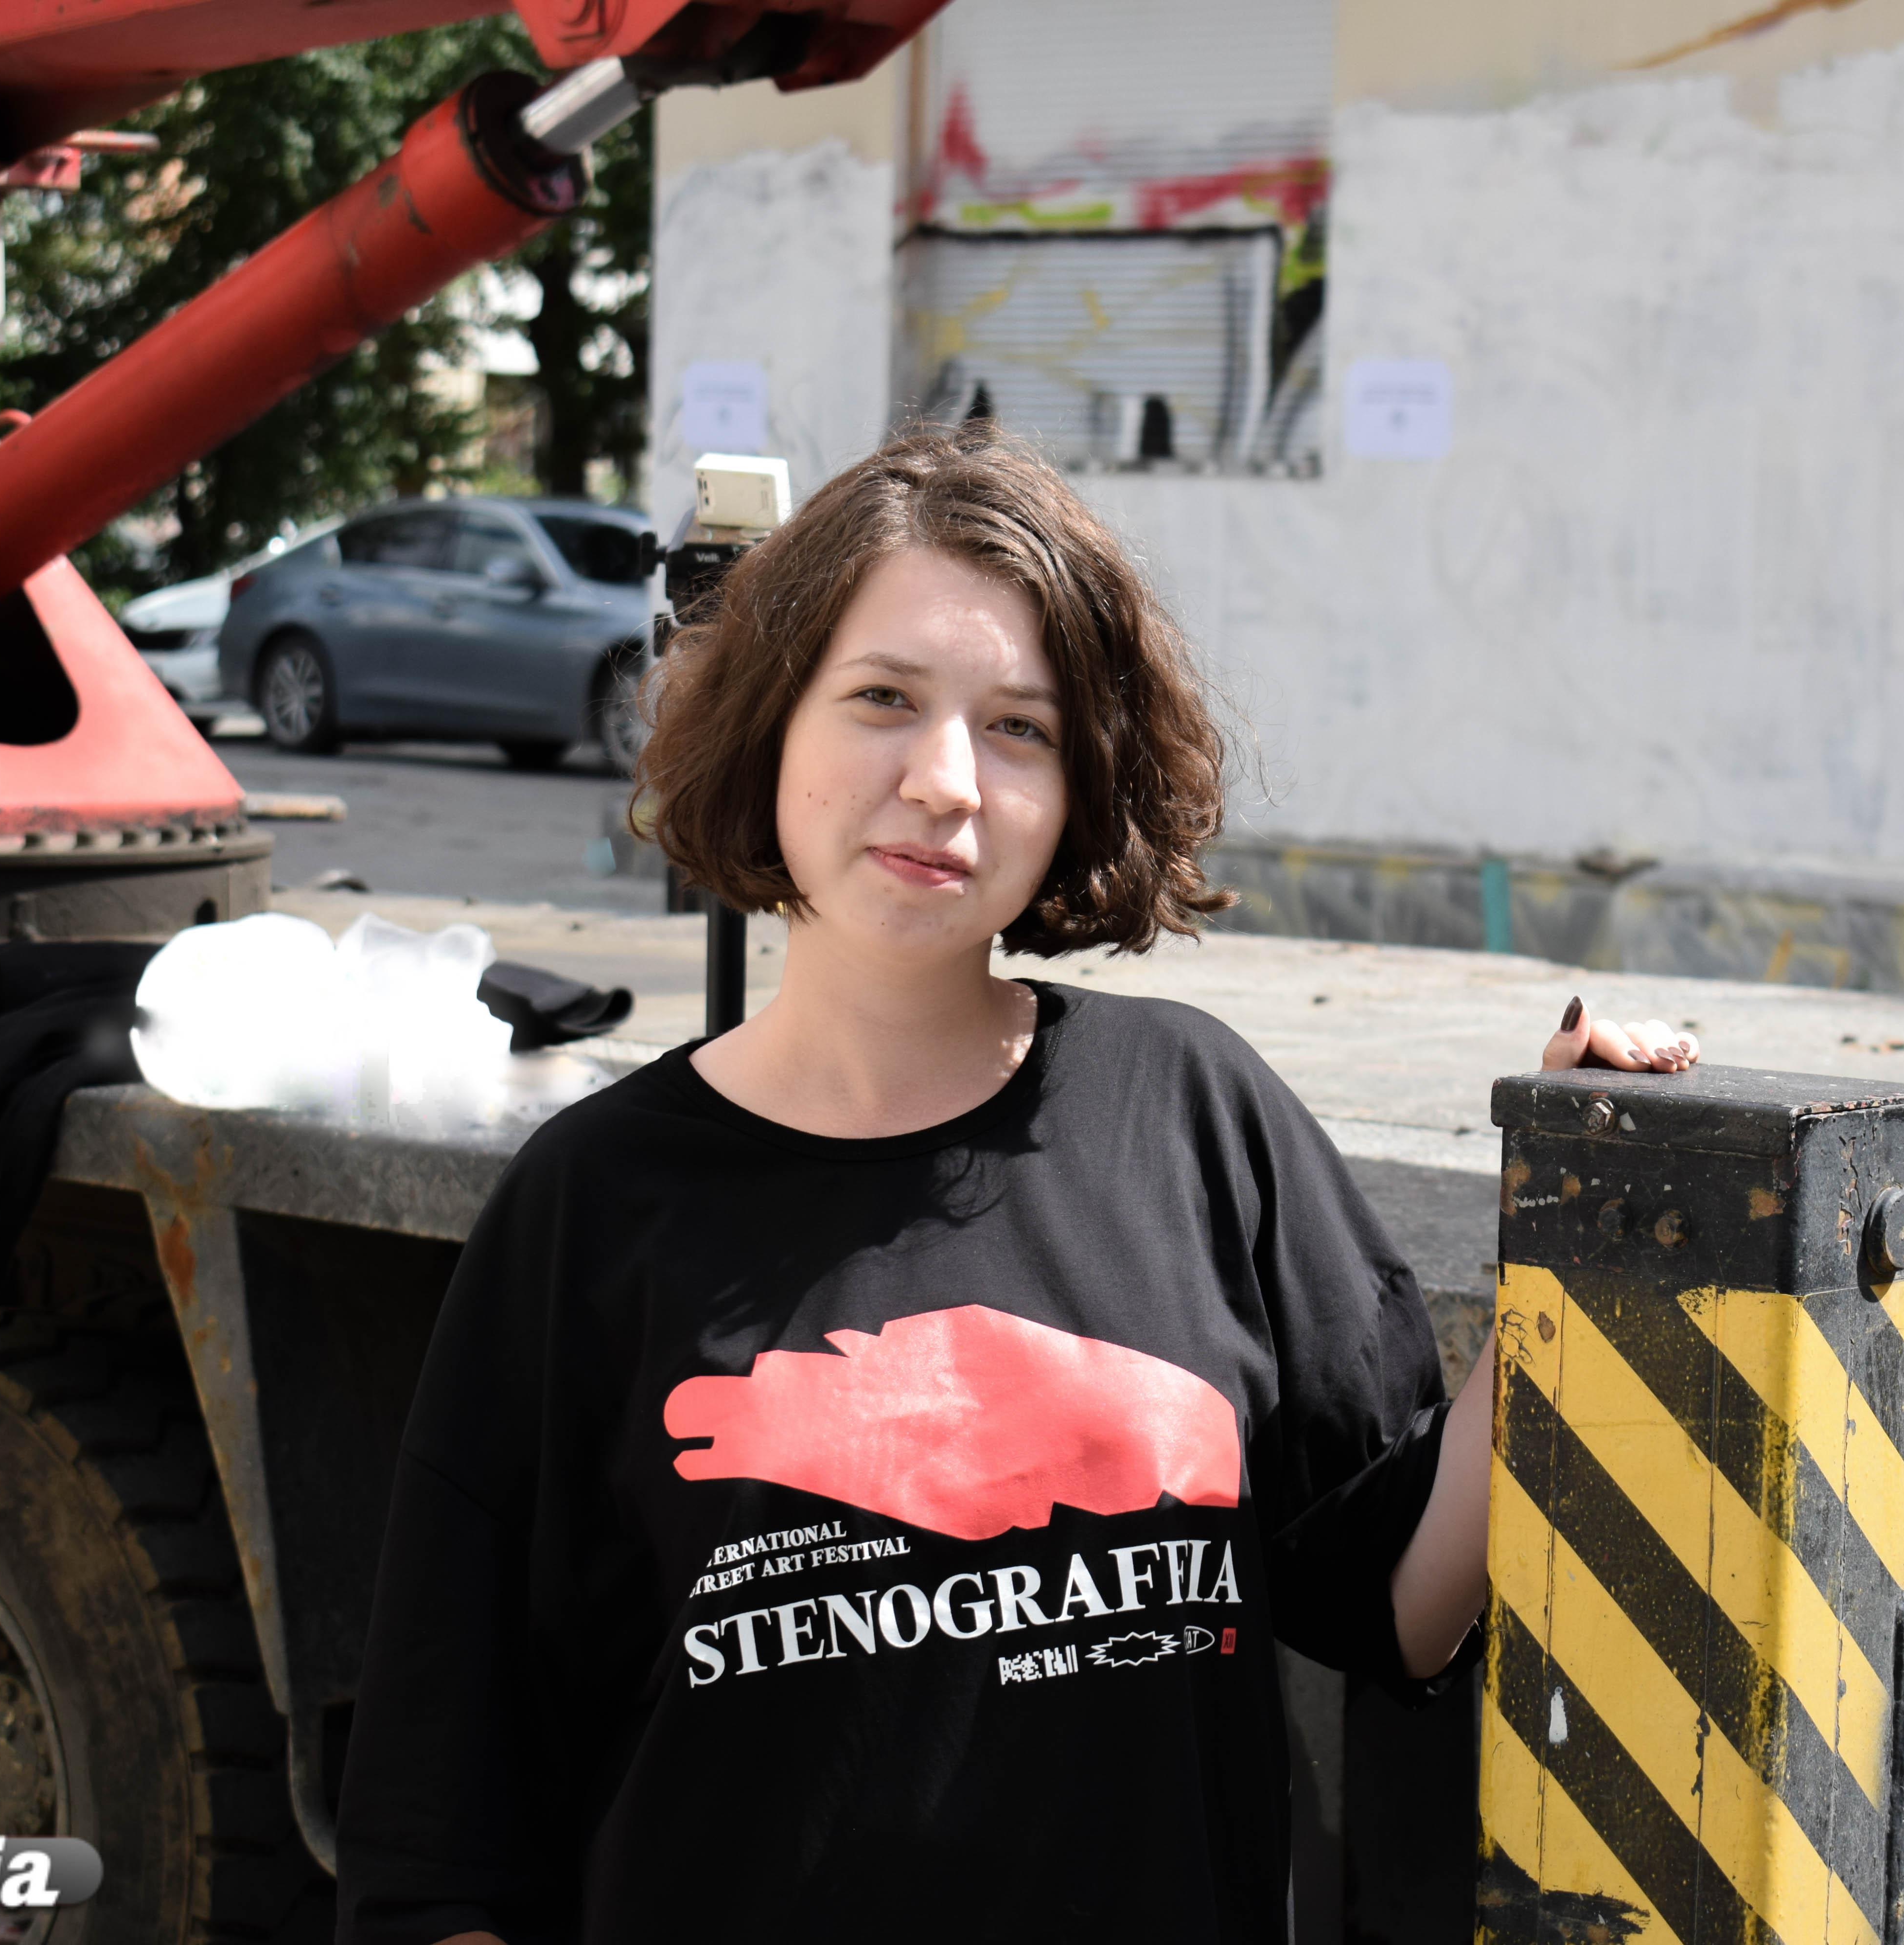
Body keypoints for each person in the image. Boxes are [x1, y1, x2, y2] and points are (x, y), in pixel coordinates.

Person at [332, 423, 1700, 1945]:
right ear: (771, 722)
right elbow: (437, 1849)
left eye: (1020, 729)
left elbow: (1400, 1604)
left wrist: (1582, 1221)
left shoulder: (1193, 1115)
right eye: (883, 699)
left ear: (1078, 786)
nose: (945, 782)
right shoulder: (590, 1205)